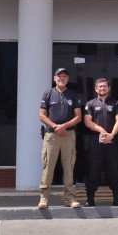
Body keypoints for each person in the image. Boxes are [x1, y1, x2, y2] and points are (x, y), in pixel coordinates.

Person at [37, 67, 83, 210]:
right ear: (54, 78)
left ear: (67, 79)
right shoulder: (48, 94)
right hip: (51, 135)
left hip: (68, 135)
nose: (61, 78)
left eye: (64, 76)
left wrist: (64, 126)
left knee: (69, 167)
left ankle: (70, 199)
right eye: (59, 76)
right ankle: (44, 198)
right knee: (48, 166)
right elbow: (42, 115)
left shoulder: (73, 95)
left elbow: (78, 117)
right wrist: (56, 126)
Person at [83, 78, 118, 207]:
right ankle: (90, 198)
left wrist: (111, 135)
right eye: (100, 86)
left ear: (109, 88)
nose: (102, 88)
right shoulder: (91, 103)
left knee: (114, 170)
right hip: (95, 142)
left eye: (104, 86)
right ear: (96, 89)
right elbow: (87, 121)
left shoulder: (116, 103)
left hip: (112, 142)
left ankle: (117, 198)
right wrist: (100, 130)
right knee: (93, 170)